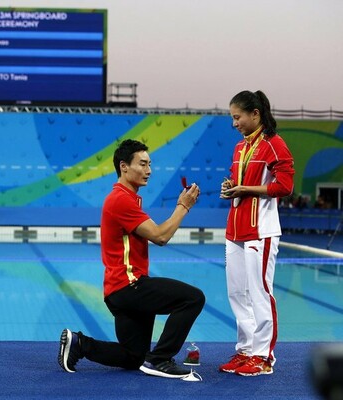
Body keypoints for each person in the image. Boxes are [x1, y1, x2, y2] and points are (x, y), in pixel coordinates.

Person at [58, 139, 205, 379]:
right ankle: (160, 359)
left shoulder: (128, 198)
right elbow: (160, 236)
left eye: (150, 164)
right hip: (129, 286)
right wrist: (183, 206)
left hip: (119, 290)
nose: (149, 170)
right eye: (143, 164)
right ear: (124, 166)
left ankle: (80, 344)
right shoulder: (121, 200)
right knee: (193, 298)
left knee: (133, 356)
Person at [219, 90, 295, 376]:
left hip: (260, 230)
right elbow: (238, 181)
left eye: (237, 117)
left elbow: (285, 186)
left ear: (255, 114)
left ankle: (263, 357)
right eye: (232, 118)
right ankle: (246, 350)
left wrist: (247, 189)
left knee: (260, 292)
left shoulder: (274, 145)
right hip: (235, 229)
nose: (234, 123)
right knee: (237, 292)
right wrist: (230, 187)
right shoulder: (240, 148)